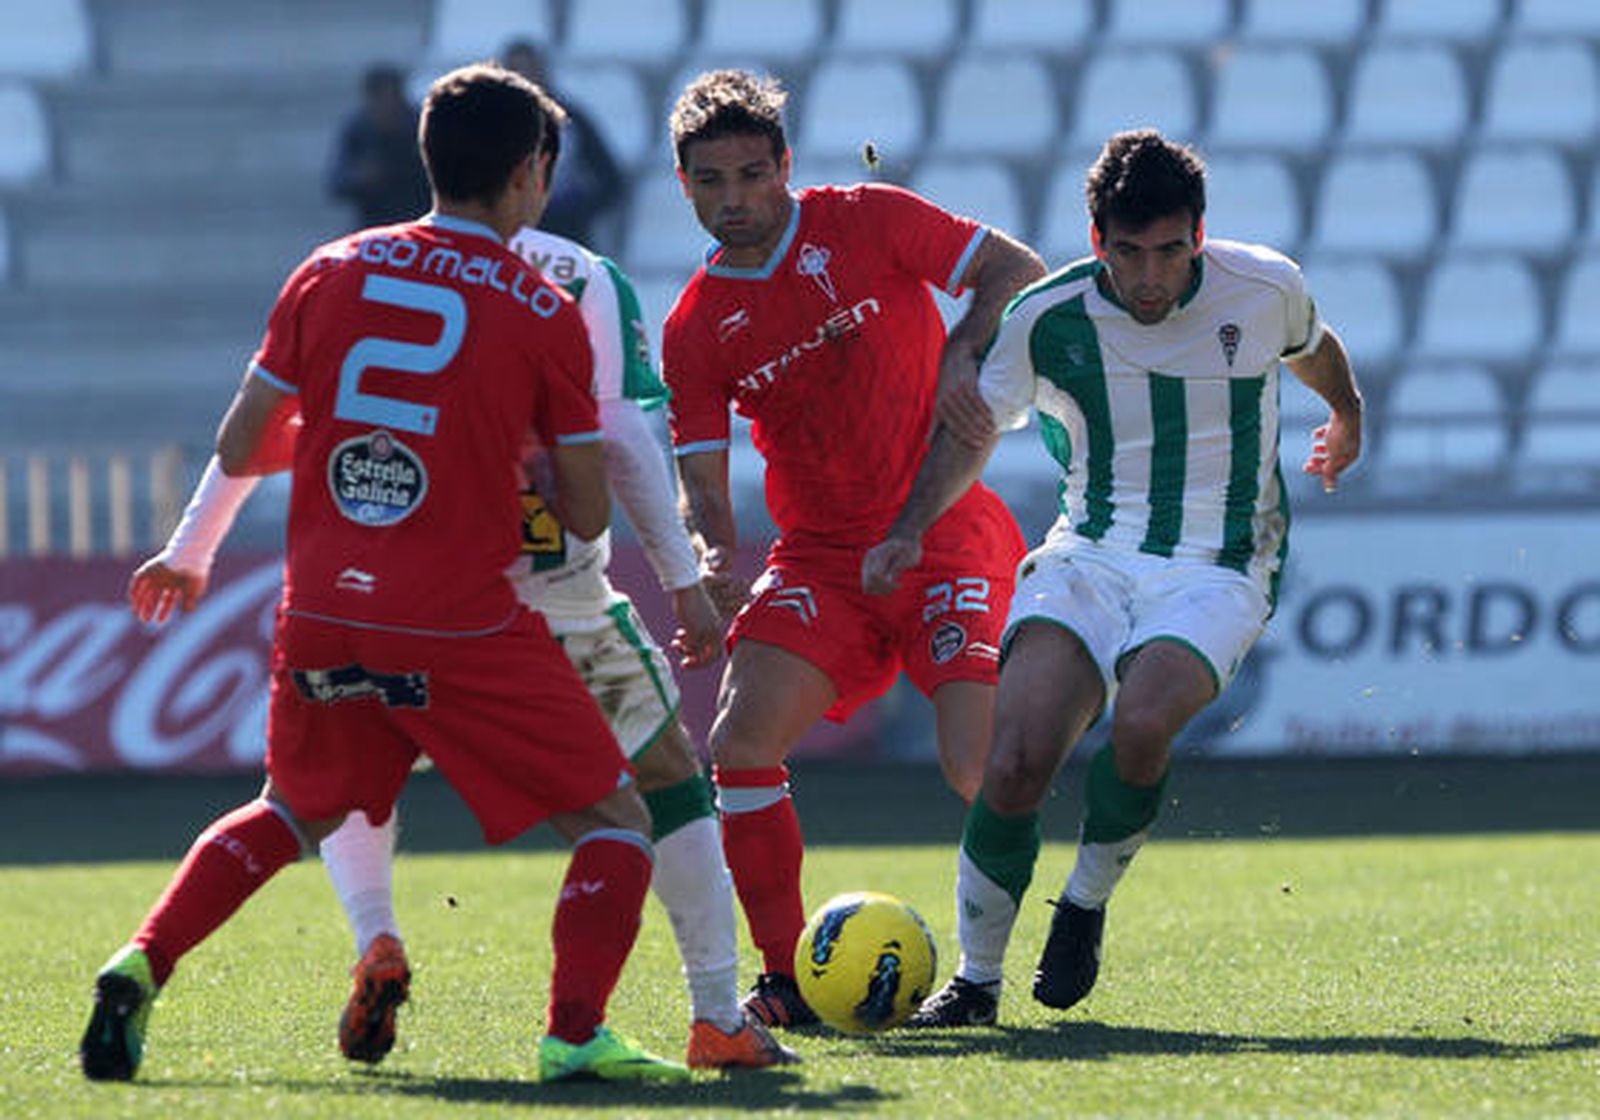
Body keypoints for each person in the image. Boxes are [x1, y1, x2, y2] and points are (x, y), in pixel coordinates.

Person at [123, 83, 798, 1074]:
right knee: (659, 790)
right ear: (535, 171)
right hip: (540, 607)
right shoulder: (574, 280)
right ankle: (706, 1013)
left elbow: (250, 436)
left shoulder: (344, 268)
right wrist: (683, 581)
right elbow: (616, 445)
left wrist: (191, 547)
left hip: (367, 595)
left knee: (320, 795)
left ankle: (371, 938)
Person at [861, 129, 1365, 1026]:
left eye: (1170, 252)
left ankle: (1084, 902)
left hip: (1218, 561)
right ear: (1097, 242)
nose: (1150, 277)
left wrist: (1349, 411)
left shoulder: (1265, 285)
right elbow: (975, 430)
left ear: (1199, 236)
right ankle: (976, 983)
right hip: (1089, 551)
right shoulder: (1049, 318)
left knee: (1139, 721)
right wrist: (909, 529)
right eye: (1128, 253)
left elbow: (1313, 345)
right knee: (1011, 762)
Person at [660, 69, 1046, 1027]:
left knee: (976, 768)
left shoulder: (868, 221)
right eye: (712, 182)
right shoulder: (696, 327)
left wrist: (965, 347)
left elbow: (1016, 269)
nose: (734, 200)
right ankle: (786, 978)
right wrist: (713, 562)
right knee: (740, 746)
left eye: (753, 175)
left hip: (945, 532)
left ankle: (986, 970)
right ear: (685, 186)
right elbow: (703, 485)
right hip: (824, 559)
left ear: (785, 166)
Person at [500, 39, 626, 251]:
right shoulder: (486, 125)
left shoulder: (571, 121)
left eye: (529, 70)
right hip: (509, 238)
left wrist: (578, 211)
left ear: (543, 72)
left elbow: (610, 180)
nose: (524, 78)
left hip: (566, 238)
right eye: (515, 72)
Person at [325, 62, 431, 230]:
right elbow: (337, 183)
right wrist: (361, 179)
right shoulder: (358, 129)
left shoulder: (422, 126)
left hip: (418, 221)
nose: (388, 107)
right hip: (374, 225)